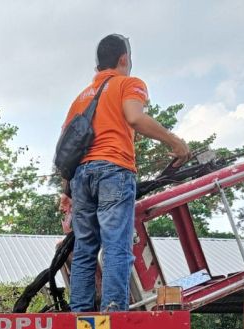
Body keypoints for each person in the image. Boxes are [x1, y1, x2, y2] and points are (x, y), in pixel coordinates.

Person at [59, 34, 191, 312]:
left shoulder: (80, 99)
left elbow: (67, 148)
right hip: (113, 171)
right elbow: (134, 117)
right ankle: (113, 311)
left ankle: (79, 315)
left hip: (81, 177)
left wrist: (65, 191)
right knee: (116, 244)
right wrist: (175, 142)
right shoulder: (129, 84)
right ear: (123, 59)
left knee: (85, 249)